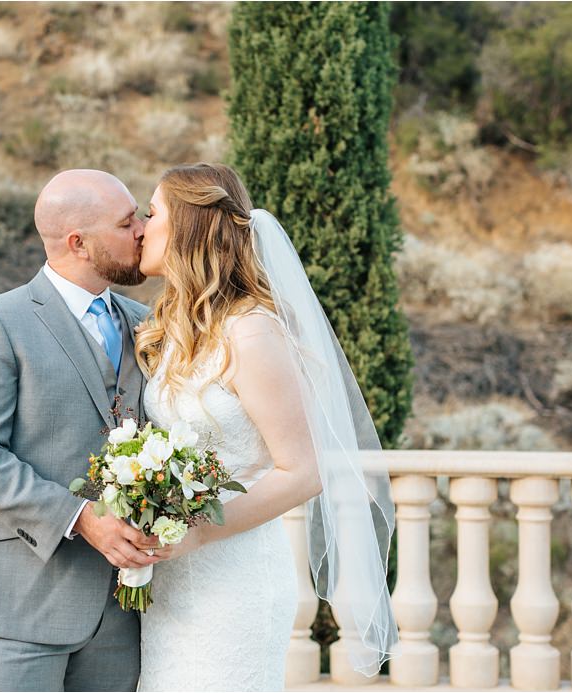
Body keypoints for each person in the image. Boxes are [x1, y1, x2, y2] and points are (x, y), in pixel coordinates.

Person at [134, 163, 397, 690]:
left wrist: (198, 532)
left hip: (234, 580)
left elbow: (303, 471)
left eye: (152, 213)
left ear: (187, 228)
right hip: (173, 585)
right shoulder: (181, 329)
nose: (141, 228)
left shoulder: (251, 333)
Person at [0, 169, 160, 691]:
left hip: (121, 609)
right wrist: (82, 517)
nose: (143, 231)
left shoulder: (147, 322)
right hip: (20, 599)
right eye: (127, 222)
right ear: (78, 242)